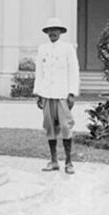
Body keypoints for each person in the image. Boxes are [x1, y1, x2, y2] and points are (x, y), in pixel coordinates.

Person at [33, 17, 80, 174]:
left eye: (55, 29)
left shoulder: (67, 48)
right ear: (46, 32)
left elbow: (73, 71)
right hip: (46, 93)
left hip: (62, 94)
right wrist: (38, 93)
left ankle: (69, 162)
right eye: (49, 30)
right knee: (49, 127)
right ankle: (53, 161)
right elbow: (39, 72)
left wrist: (71, 92)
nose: (52, 32)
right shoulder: (42, 49)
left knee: (66, 126)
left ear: (60, 31)